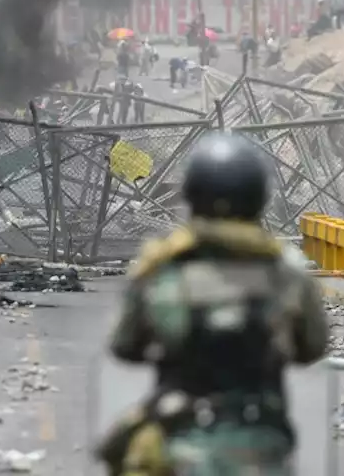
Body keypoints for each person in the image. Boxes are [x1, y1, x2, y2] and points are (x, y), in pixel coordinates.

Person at [97, 132, 329, 475]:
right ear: (259, 198)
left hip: (181, 445)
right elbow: (312, 347)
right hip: (263, 449)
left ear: (192, 196)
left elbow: (124, 346)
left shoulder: (163, 268)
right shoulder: (286, 271)